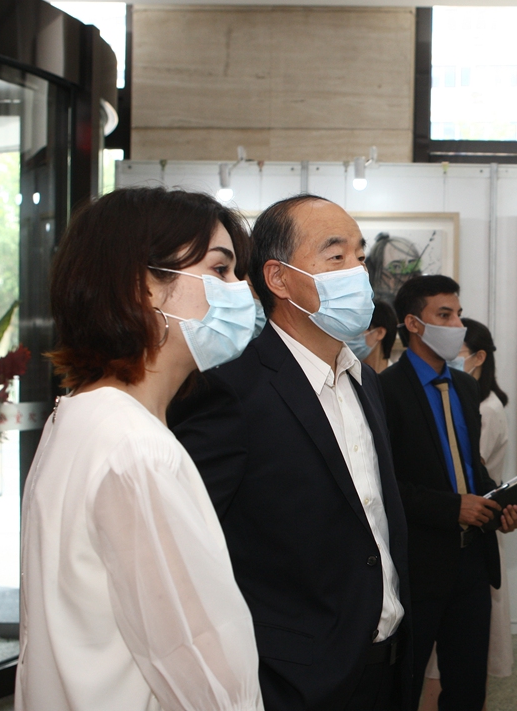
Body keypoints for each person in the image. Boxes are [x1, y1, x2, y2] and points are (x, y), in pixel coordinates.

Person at [17, 187, 263, 710]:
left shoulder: (82, 417)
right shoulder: (137, 450)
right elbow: (200, 667)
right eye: (220, 270)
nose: (242, 290)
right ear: (144, 286)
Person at [169, 194, 411, 711]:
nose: (357, 272)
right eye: (335, 256)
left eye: (360, 256)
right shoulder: (232, 388)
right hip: (292, 679)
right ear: (278, 279)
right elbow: (185, 547)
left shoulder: (365, 380)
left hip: (383, 664)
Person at [378, 276, 517, 711]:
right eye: (444, 315)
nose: (457, 325)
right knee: (404, 686)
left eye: (458, 314)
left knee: (467, 688)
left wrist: (498, 505)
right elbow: (383, 485)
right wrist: (452, 508)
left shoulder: (465, 387)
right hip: (418, 564)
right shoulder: (385, 390)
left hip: (472, 561)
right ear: (413, 324)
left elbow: (470, 468)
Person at [419, 318, 513, 711]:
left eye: (458, 352)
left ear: (479, 358)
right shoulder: (465, 400)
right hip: (454, 535)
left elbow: (468, 476)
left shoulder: (484, 409)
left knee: (457, 667)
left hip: (470, 536)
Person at [349, 300, 399, 373]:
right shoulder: (345, 375)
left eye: (360, 329)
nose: (352, 337)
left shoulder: (398, 377)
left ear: (380, 333)